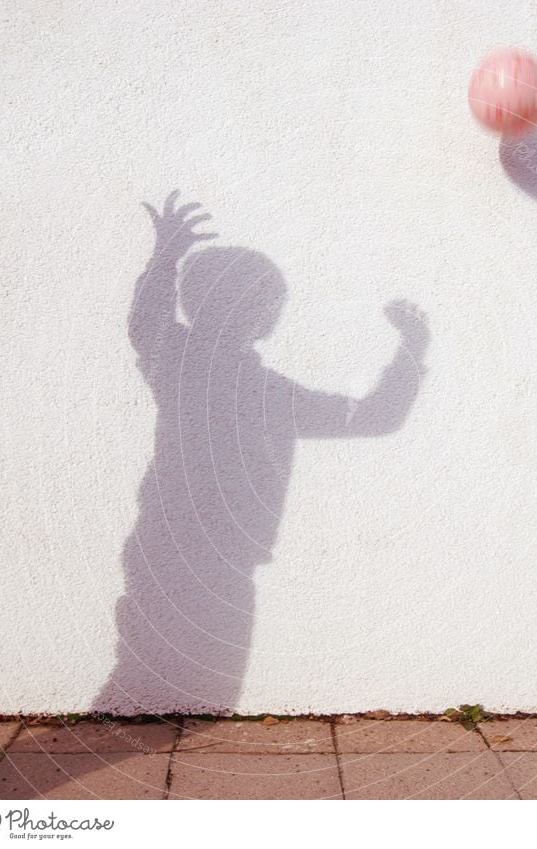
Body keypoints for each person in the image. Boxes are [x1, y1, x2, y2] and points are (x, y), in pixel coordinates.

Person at [95, 191, 429, 714]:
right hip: (214, 558)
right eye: (266, 301)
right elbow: (374, 418)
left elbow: (147, 322)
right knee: (190, 693)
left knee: (153, 685)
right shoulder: (257, 390)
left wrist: (166, 257)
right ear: (263, 315)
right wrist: (411, 352)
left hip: (179, 550)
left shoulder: (184, 364)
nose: (269, 312)